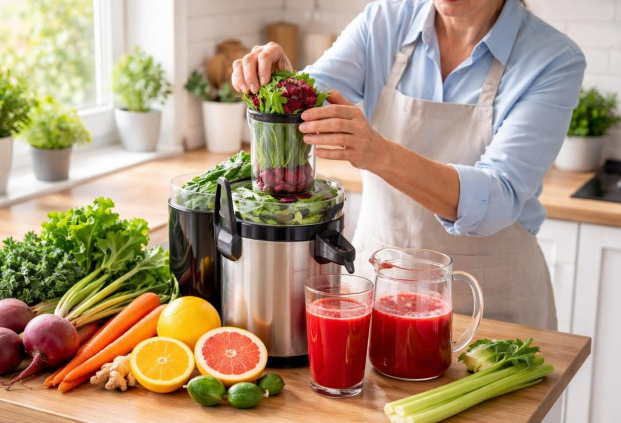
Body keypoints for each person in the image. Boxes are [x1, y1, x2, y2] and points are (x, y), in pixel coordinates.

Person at [231, 0, 586, 329]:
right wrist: (283, 83)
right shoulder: (385, 21)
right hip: (378, 294)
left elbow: (498, 198)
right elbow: (312, 99)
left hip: (492, 311)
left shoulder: (553, 59)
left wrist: (380, 154)